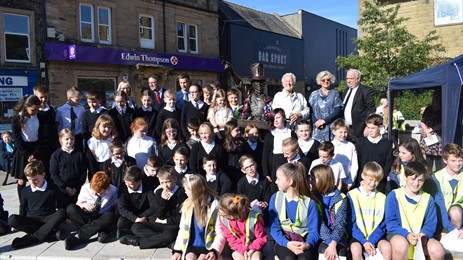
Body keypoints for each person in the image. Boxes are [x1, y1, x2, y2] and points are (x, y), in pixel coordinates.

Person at [385, 161, 445, 259]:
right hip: (399, 234)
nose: (416, 183)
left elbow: (430, 223)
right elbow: (391, 223)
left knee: (437, 250)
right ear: (405, 176)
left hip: (420, 238)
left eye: (420, 180)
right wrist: (407, 235)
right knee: (400, 245)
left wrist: (424, 234)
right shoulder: (394, 195)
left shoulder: (427, 198)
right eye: (413, 179)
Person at [124, 165, 187, 248]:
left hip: (172, 225)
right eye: (162, 183)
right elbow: (159, 214)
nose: (165, 185)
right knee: (136, 227)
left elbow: (181, 217)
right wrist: (163, 201)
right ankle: (166, 242)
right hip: (159, 222)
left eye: (167, 181)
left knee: (170, 235)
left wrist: (166, 221)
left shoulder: (182, 193)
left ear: (174, 179)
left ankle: (138, 242)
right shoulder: (159, 192)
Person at [8, 160, 66, 249]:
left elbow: (61, 205)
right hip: (32, 220)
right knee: (12, 219)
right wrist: (18, 223)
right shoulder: (25, 191)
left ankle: (31, 238)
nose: (32, 182)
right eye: (29, 179)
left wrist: (65, 218)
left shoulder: (53, 188)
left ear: (43, 175)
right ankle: (50, 235)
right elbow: (23, 208)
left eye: (35, 179)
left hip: (48, 219)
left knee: (62, 212)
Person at [269, 162, 320, 259]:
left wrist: (308, 244)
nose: (276, 182)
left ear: (290, 182)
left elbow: (314, 230)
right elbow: (274, 227)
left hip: (304, 240)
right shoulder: (275, 198)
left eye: (279, 179)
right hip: (284, 240)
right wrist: (287, 243)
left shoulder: (310, 202)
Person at [171, 174, 225, 260]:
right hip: (192, 244)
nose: (185, 192)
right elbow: (182, 230)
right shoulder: (187, 204)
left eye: (187, 190)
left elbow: (220, 233)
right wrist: (178, 250)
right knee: (189, 258)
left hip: (208, 246)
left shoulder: (214, 206)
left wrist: (214, 251)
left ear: (195, 191)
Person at [347, 162, 391, 260]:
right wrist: (364, 241)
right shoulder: (352, 195)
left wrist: (372, 240)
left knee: (386, 247)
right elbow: (351, 223)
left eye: (376, 181)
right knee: (355, 248)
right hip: (358, 236)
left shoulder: (383, 198)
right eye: (370, 179)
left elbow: (383, 223)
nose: (373, 183)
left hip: (376, 236)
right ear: (363, 175)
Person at [64, 171, 118, 250]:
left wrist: (113, 206)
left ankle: (79, 236)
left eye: (99, 193)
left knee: (110, 216)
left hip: (102, 217)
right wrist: (83, 205)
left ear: (107, 187)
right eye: (94, 192)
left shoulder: (113, 190)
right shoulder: (85, 188)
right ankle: (100, 231)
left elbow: (117, 205)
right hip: (88, 216)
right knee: (71, 208)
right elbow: (78, 203)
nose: (95, 195)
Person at [311, 164, 348, 260]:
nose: (311, 182)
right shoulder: (313, 198)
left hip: (338, 236)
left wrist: (334, 242)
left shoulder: (341, 198)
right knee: (324, 250)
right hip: (320, 235)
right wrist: (329, 242)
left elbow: (340, 223)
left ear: (322, 179)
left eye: (313, 179)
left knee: (341, 252)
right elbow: (319, 223)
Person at [426, 143, 463, 235]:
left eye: (460, 160)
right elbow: (440, 205)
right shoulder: (437, 177)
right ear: (445, 160)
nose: (458, 164)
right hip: (444, 219)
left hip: (459, 217)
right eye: (453, 160)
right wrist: (451, 229)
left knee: (456, 212)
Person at [218, 194, 268, 260]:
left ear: (233, 216)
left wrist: (250, 250)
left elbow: (261, 238)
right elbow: (231, 238)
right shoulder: (223, 219)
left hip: (255, 246)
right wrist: (243, 250)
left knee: (255, 258)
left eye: (225, 216)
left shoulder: (255, 218)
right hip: (237, 247)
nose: (222, 217)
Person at [11, 95, 41, 198]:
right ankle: (22, 201)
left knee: (39, 175)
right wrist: (27, 154)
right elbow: (17, 139)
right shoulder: (17, 119)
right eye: (33, 110)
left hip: (36, 148)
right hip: (23, 150)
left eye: (37, 109)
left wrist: (35, 153)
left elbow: (41, 135)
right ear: (25, 106)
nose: (35, 112)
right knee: (22, 178)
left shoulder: (38, 117)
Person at [356, 114, 393, 193]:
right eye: (368, 127)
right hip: (363, 182)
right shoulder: (361, 143)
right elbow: (358, 163)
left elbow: (388, 164)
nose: (370, 130)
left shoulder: (387, 144)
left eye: (373, 128)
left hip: (380, 183)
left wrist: (379, 179)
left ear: (380, 127)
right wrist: (362, 179)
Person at [50, 128, 88, 206]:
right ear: (61, 140)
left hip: (76, 190)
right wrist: (65, 188)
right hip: (62, 190)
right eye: (66, 139)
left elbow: (83, 172)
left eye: (71, 139)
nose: (69, 141)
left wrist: (76, 187)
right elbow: (54, 174)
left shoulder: (79, 154)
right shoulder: (56, 155)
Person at [116, 165, 155, 240]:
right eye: (126, 182)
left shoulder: (147, 187)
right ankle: (134, 231)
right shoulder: (123, 187)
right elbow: (122, 208)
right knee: (121, 222)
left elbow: (153, 206)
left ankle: (132, 232)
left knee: (153, 221)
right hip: (132, 215)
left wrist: (141, 217)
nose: (127, 186)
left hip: (145, 215)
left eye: (131, 184)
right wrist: (135, 219)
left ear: (139, 182)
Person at [262, 108, 297, 186]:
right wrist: (266, 173)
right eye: (273, 118)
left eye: (278, 118)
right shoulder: (270, 135)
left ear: (284, 118)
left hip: (288, 162)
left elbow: (296, 150)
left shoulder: (291, 133)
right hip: (274, 164)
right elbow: (265, 155)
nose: (275, 120)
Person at [342, 69, 375, 143]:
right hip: (346, 129)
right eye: (347, 78)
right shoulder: (345, 91)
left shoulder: (366, 91)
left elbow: (371, 109)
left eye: (351, 78)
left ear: (358, 79)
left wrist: (368, 126)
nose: (348, 81)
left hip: (359, 130)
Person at [308, 70, 343, 142]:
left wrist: (324, 121)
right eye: (323, 80)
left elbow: (337, 111)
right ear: (320, 81)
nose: (325, 81)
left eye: (328, 80)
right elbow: (310, 110)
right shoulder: (314, 94)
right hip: (317, 127)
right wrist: (317, 122)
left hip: (331, 127)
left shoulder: (335, 94)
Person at [33, 85, 60, 173]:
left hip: (53, 144)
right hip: (40, 145)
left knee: (53, 168)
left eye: (46, 97)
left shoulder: (51, 109)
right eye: (41, 97)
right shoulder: (34, 112)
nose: (44, 99)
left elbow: (55, 125)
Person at [87, 114, 117, 180]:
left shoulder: (112, 140)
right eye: (104, 127)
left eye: (109, 127)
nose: (107, 129)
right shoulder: (93, 141)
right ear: (98, 126)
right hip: (98, 167)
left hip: (110, 168)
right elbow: (91, 160)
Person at [420, 89, 444, 171]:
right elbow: (422, 121)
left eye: (438, 97)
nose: (436, 98)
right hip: (427, 136)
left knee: (439, 160)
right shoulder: (428, 109)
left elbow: (443, 123)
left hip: (438, 136)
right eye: (435, 97)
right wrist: (426, 131)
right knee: (428, 160)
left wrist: (430, 130)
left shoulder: (443, 109)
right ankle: (428, 178)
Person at [331, 119, 358, 191]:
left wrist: (349, 182)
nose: (343, 135)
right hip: (332, 182)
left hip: (347, 182)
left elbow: (354, 165)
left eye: (345, 132)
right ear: (334, 132)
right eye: (340, 132)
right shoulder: (330, 146)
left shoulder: (350, 146)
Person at [56, 86, 85, 152]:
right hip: (65, 136)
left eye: (80, 99)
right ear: (69, 98)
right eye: (77, 100)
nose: (79, 101)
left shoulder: (81, 109)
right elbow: (57, 123)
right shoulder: (60, 110)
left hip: (77, 135)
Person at [222, 120, 245, 189]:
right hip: (228, 171)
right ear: (230, 131)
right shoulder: (223, 143)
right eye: (236, 130)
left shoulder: (241, 141)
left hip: (239, 171)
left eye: (239, 130)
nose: (239, 132)